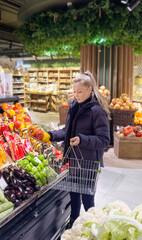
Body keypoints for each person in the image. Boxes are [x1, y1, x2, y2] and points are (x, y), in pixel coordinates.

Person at [48, 71, 110, 228]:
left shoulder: (97, 110)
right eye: (74, 92)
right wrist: (50, 135)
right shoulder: (74, 107)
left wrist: (82, 140)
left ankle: (94, 228)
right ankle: (73, 225)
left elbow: (104, 140)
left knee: (88, 199)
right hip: (74, 161)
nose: (76, 95)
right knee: (73, 195)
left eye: (80, 92)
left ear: (90, 89)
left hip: (89, 163)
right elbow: (66, 132)